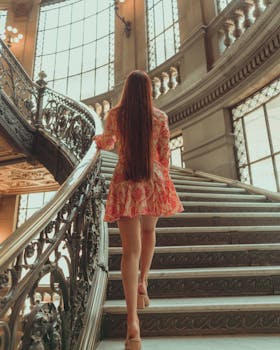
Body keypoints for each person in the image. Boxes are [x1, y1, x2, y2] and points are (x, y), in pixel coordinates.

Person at [93, 70, 183, 350]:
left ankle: (132, 325)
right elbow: (165, 155)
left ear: (126, 90)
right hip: (153, 178)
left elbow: (107, 143)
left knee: (129, 250)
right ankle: (143, 281)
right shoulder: (160, 117)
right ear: (147, 91)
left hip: (125, 180)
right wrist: (161, 180)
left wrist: (95, 139)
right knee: (149, 230)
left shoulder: (115, 115)